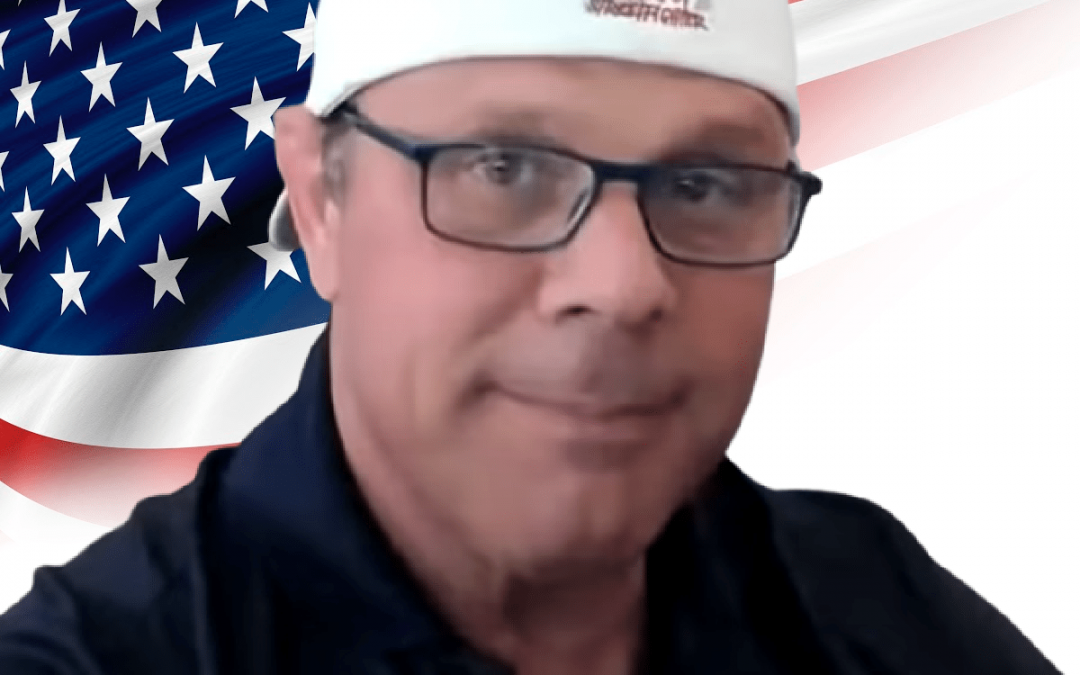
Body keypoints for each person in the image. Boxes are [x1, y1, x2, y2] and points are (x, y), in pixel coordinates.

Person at [0, 0, 1062, 673]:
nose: (624, 285)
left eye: (708, 184)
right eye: (501, 168)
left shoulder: (872, 605)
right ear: (320, 201)